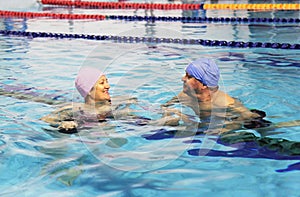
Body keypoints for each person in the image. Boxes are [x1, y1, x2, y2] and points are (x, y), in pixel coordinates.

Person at [41, 66, 180, 133]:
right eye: (102, 83)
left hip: (125, 125)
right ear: (89, 91)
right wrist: (64, 125)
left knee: (169, 125)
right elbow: (46, 120)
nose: (108, 85)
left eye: (107, 81)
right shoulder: (75, 109)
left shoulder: (120, 102)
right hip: (94, 132)